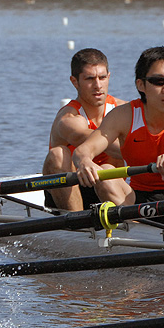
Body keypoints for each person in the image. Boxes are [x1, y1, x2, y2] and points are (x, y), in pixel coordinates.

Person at [73, 46, 164, 229]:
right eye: (158, 81)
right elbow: (84, 149)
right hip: (137, 201)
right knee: (105, 170)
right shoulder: (124, 116)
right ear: (141, 85)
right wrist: (84, 161)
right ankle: (138, 233)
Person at [43, 48, 126, 211]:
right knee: (58, 155)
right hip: (75, 190)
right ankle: (75, 221)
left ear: (109, 77)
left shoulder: (124, 110)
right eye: (90, 79)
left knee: (108, 169)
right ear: (75, 81)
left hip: (112, 188)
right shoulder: (68, 119)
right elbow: (101, 143)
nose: (98, 85)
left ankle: (135, 225)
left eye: (102, 78)